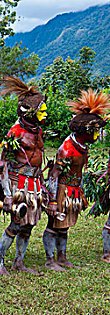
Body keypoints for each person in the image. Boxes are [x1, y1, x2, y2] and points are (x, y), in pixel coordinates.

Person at [45, 90, 109, 270]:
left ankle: (62, 257)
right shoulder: (66, 150)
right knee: (53, 224)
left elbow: (80, 172)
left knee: (64, 226)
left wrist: (80, 193)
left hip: (73, 191)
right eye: (96, 132)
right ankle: (50, 260)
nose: (97, 136)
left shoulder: (83, 148)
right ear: (86, 131)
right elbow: (54, 176)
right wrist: (52, 201)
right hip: (61, 190)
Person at [0, 76, 48, 276]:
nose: (45, 113)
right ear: (31, 112)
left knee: (29, 226)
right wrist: (7, 194)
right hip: (19, 184)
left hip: (34, 185)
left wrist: (42, 182)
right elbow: (3, 164)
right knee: (16, 224)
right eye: (42, 110)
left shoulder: (38, 131)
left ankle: (18, 262)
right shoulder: (15, 133)